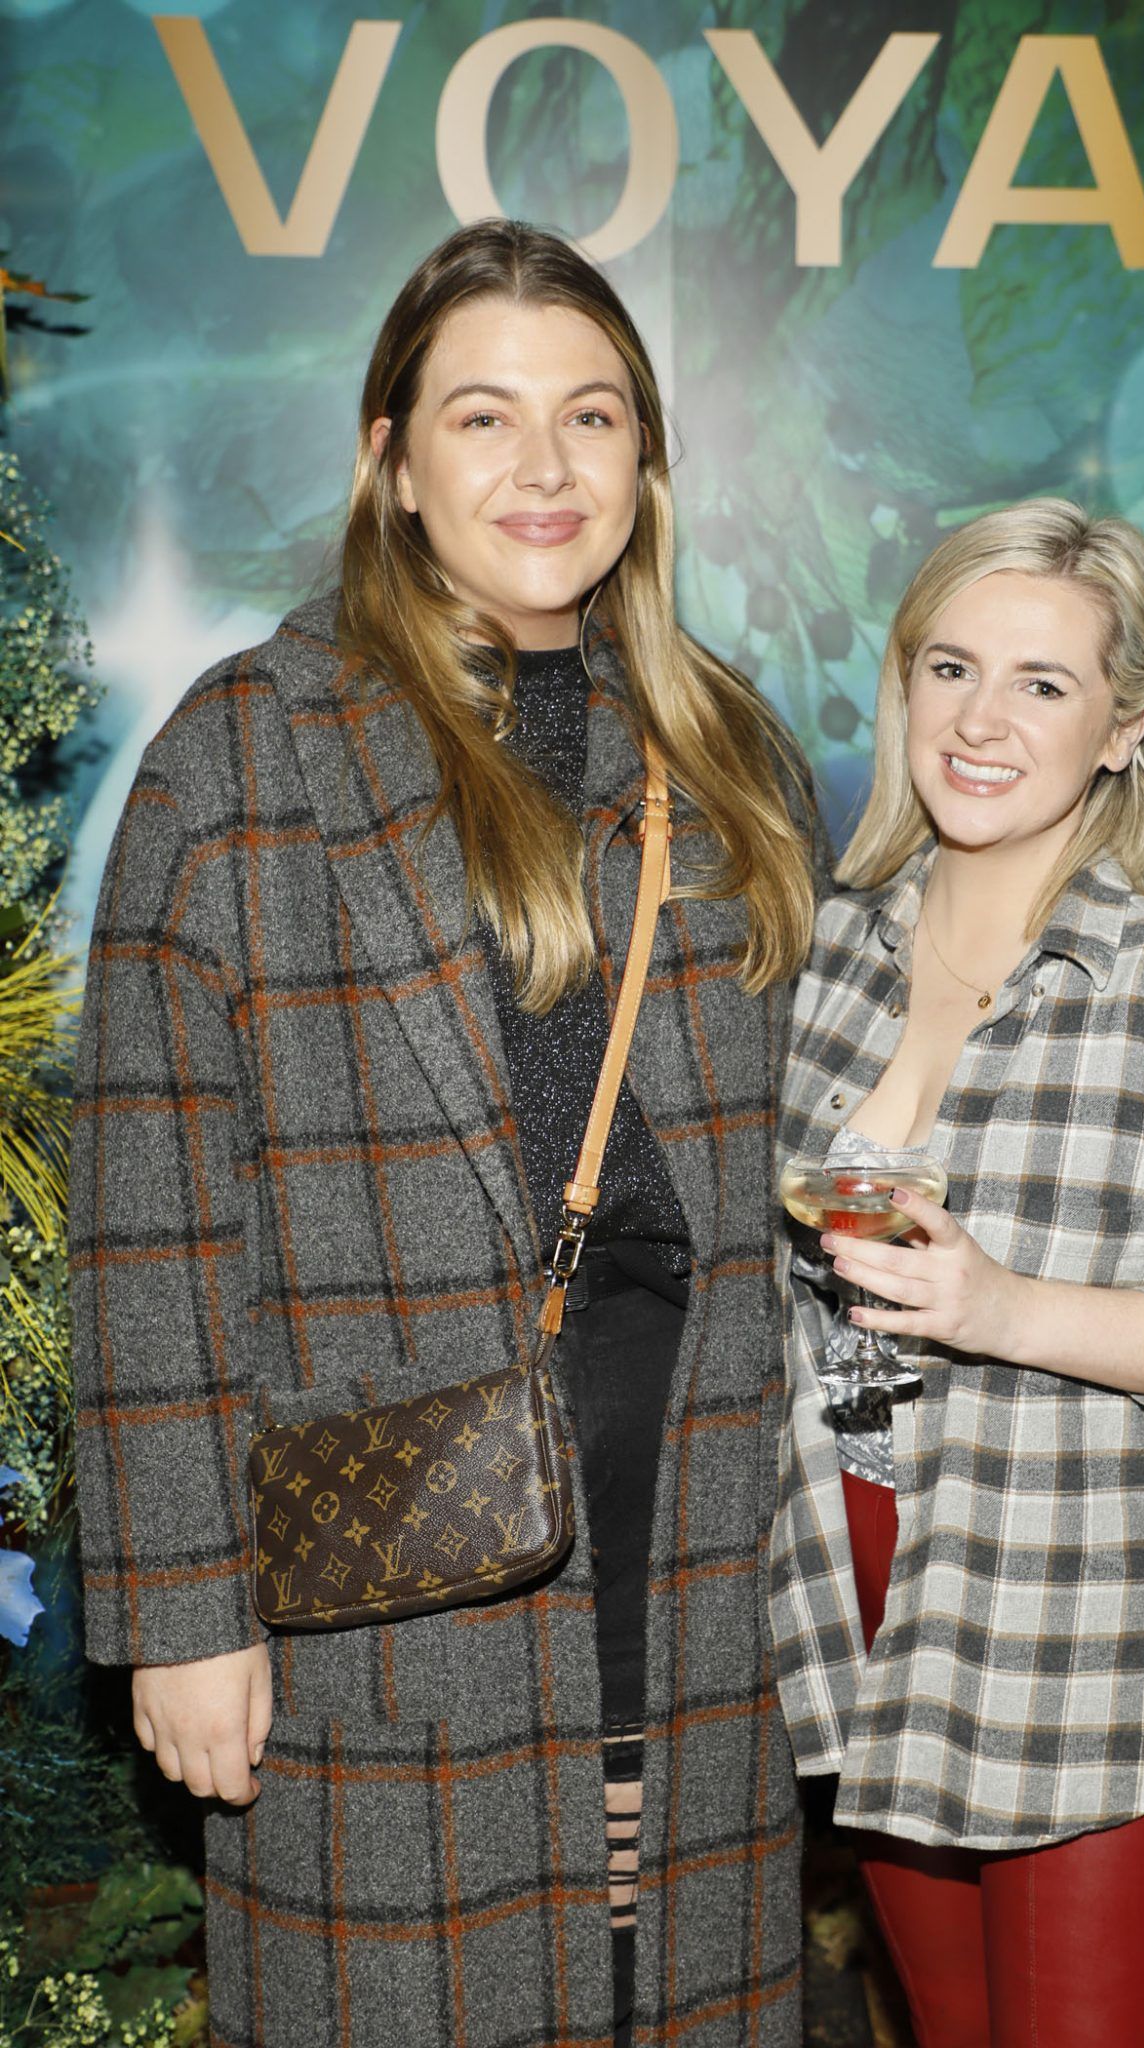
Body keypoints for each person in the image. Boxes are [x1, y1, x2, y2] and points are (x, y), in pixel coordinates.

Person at [70, 220, 824, 2048]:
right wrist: (181, 1612)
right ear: (390, 461)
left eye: (592, 415)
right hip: (400, 1579)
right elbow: (150, 1220)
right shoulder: (243, 758)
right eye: (483, 416)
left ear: (647, 459)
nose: (545, 466)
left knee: (678, 1984)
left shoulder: (727, 753)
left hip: (701, 1538)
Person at [769, 499, 1144, 2048]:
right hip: (872, 1602)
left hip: (1086, 1626)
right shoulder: (819, 961)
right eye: (951, 667)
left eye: (1043, 682)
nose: (981, 721)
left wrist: (1005, 1309)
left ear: (1122, 728)